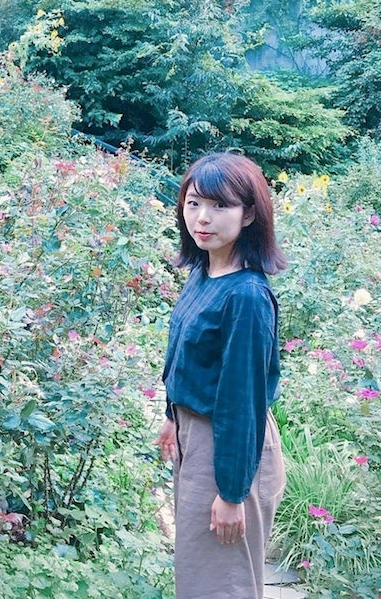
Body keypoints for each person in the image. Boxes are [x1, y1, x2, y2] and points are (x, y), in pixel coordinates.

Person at [153, 152, 288, 598]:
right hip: (197, 438)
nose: (202, 218)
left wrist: (232, 494)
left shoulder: (247, 295)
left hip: (229, 448)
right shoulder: (205, 271)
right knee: (199, 575)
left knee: (222, 585)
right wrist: (172, 415)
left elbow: (241, 400)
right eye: (194, 203)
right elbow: (187, 354)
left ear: (248, 214)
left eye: (220, 205)